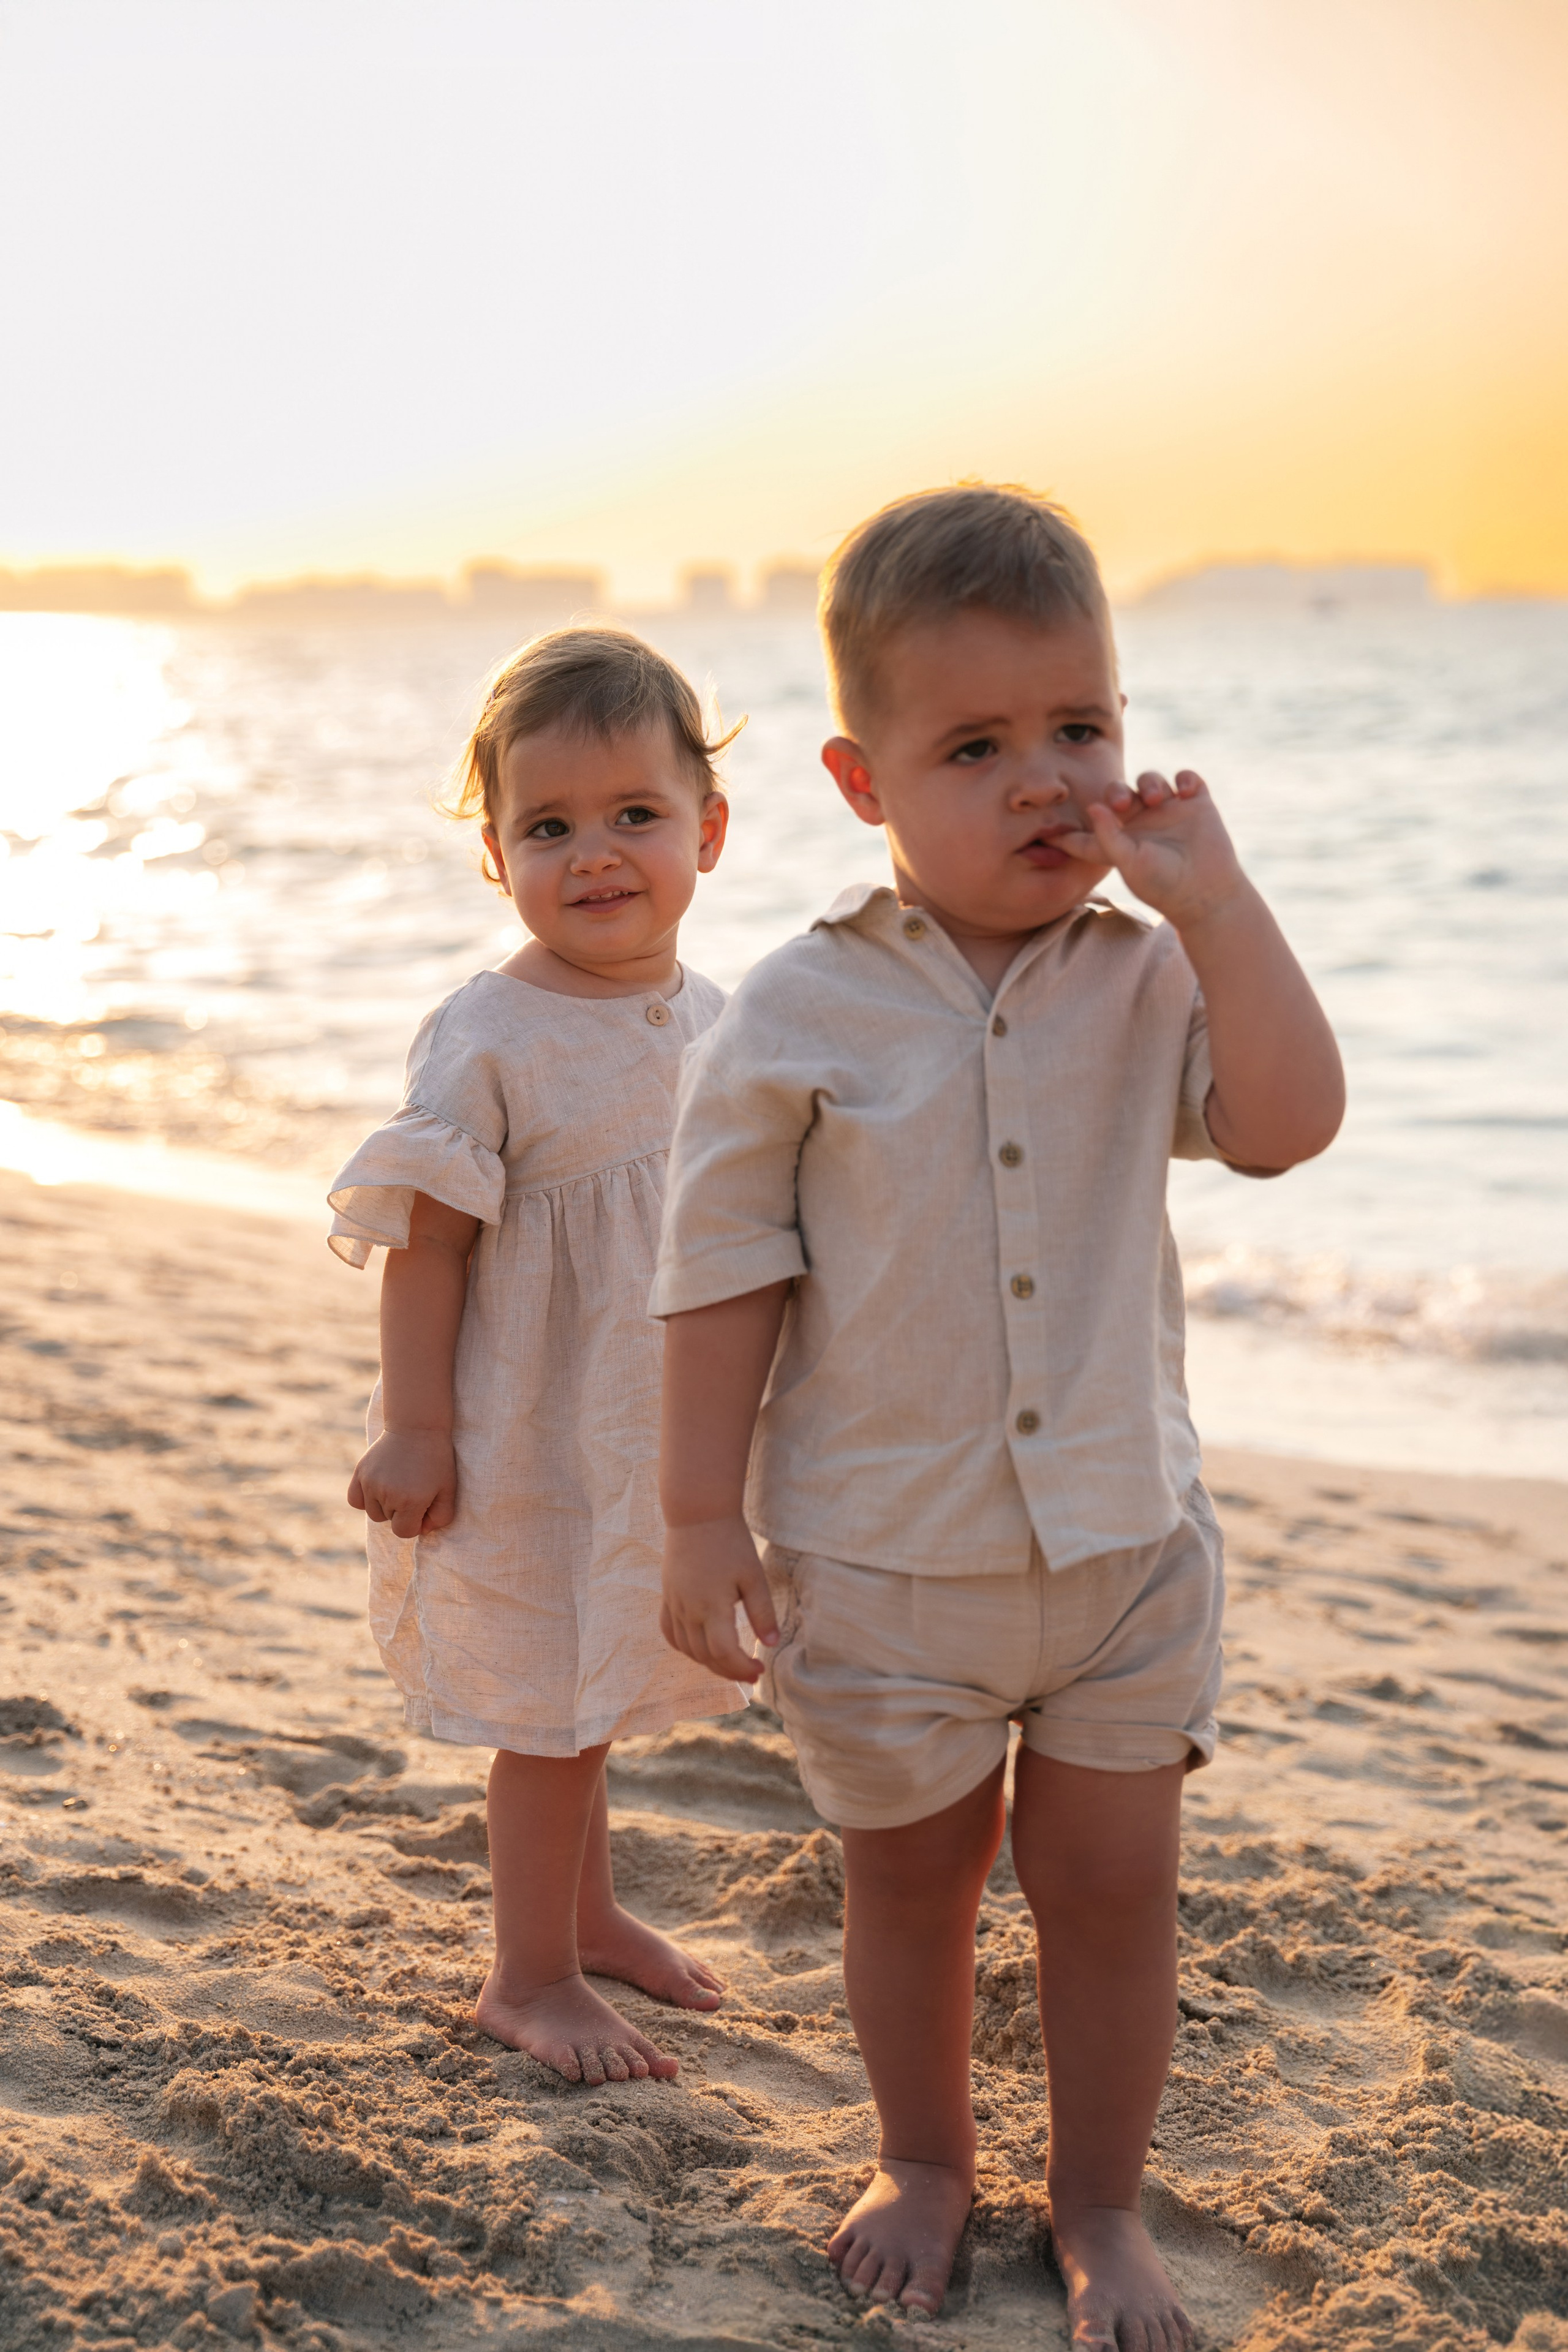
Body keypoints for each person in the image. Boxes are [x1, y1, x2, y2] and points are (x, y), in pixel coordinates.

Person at [652, 485, 1344, 2343]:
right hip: (885, 1567)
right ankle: (929, 2158)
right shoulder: (799, 1008)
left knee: (1116, 1897)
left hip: (1125, 1549)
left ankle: (1103, 2203)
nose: (1049, 780)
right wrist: (699, 1518)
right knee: (917, 1892)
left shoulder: (1150, 975)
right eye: (979, 746)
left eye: (1083, 729)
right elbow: (723, 1274)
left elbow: (1287, 1126)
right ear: (864, 780)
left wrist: (1221, 900)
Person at [328, 624, 741, 2087]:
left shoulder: (718, 1015)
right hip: (524, 1425)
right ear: (496, 855)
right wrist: (417, 1428)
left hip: (641, 1424)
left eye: (636, 814)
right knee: (551, 1714)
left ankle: (591, 1913)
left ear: (709, 827)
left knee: (602, 1678)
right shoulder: (489, 1036)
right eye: (548, 825)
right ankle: (529, 1974)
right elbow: (426, 1246)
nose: (597, 852)